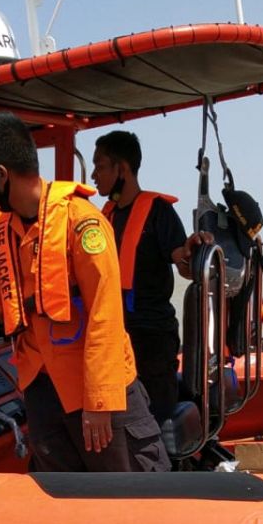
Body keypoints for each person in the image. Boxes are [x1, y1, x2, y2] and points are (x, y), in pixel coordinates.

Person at [0, 112, 188, 472]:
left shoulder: (83, 223)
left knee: (131, 496)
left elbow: (105, 316)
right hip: (41, 387)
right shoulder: (10, 226)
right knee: (61, 498)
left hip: (96, 391)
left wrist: (98, 402)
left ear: (1, 175)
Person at [91, 130, 189, 423]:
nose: (94, 175)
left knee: (153, 422)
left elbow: (184, 264)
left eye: (100, 166)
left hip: (152, 340)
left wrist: (192, 251)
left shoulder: (159, 212)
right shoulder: (103, 217)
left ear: (121, 169)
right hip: (115, 339)